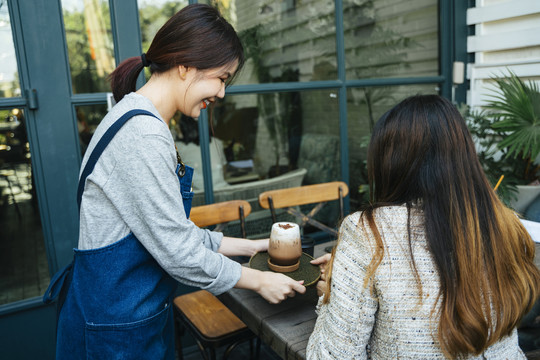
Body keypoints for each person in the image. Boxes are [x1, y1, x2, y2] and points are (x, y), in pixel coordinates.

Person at [43, 4, 305, 359]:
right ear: (185, 66)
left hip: (124, 317)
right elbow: (178, 253)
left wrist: (250, 247)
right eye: (221, 78)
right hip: (117, 331)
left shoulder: (133, 116)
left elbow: (168, 231)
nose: (222, 93)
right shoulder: (144, 135)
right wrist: (259, 280)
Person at [307, 95, 540, 359]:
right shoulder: (503, 223)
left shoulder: (368, 231)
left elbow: (334, 355)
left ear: (388, 163)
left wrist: (333, 293)